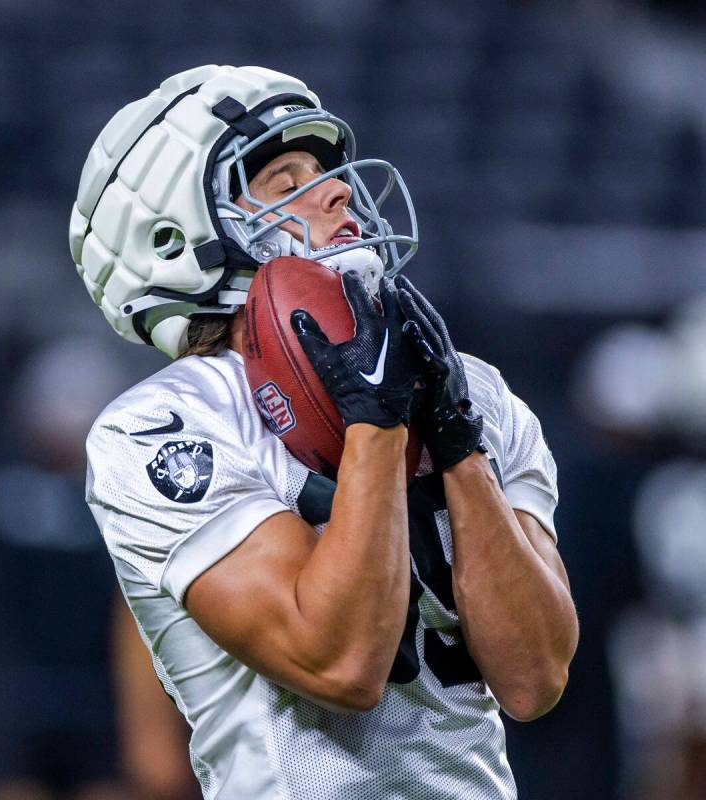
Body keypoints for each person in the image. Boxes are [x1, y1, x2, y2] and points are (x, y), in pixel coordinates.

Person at [71, 64, 579, 799]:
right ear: (178, 239)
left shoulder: (479, 394)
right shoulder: (162, 426)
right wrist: (375, 424)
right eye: (287, 180)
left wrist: (457, 441)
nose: (339, 190)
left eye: (325, 171)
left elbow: (534, 678)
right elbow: (339, 662)